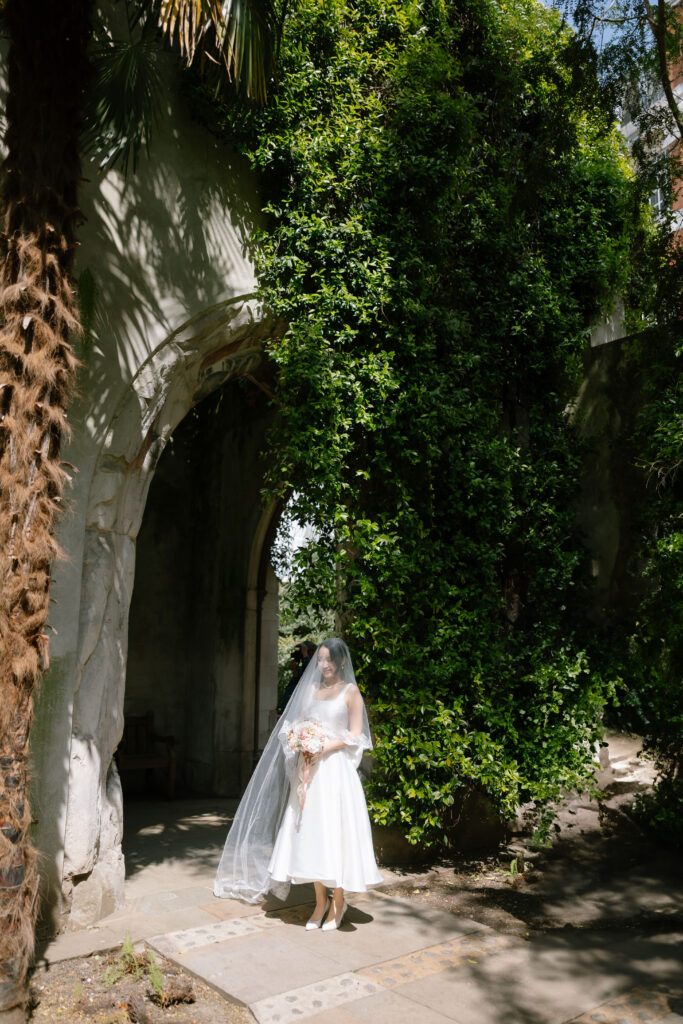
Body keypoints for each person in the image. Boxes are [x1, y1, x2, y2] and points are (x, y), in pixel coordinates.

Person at [213, 638, 382, 930]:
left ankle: (338, 901)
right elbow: (298, 725)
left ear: (342, 662)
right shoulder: (311, 691)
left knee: (336, 833)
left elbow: (358, 735)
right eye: (321, 660)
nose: (324, 665)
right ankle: (319, 901)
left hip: (335, 772)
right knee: (311, 834)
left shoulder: (350, 692)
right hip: (310, 772)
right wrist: (299, 741)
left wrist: (326, 746)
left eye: (330, 660)